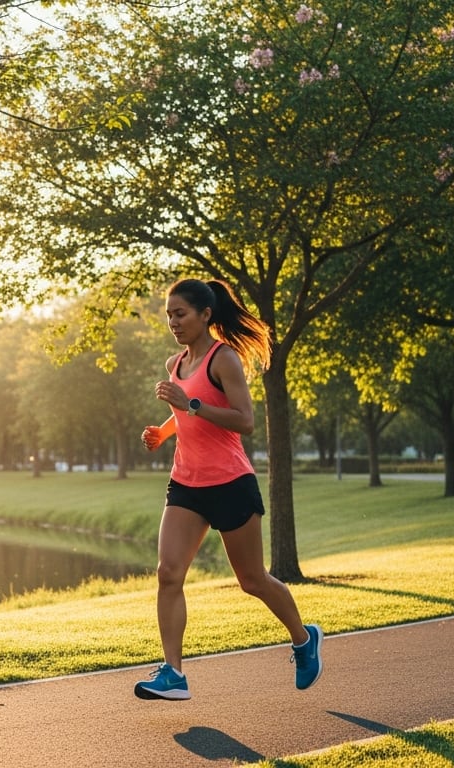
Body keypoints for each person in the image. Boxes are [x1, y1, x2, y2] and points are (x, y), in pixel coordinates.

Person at [133, 278, 322, 701]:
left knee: (252, 580)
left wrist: (190, 405)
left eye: (180, 314)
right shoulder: (175, 364)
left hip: (231, 483)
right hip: (187, 484)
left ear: (205, 315)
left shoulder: (225, 359)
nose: (173, 322)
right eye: (168, 314)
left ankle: (303, 639)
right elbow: (186, 417)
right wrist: (164, 432)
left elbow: (244, 420)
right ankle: (174, 674)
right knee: (168, 574)